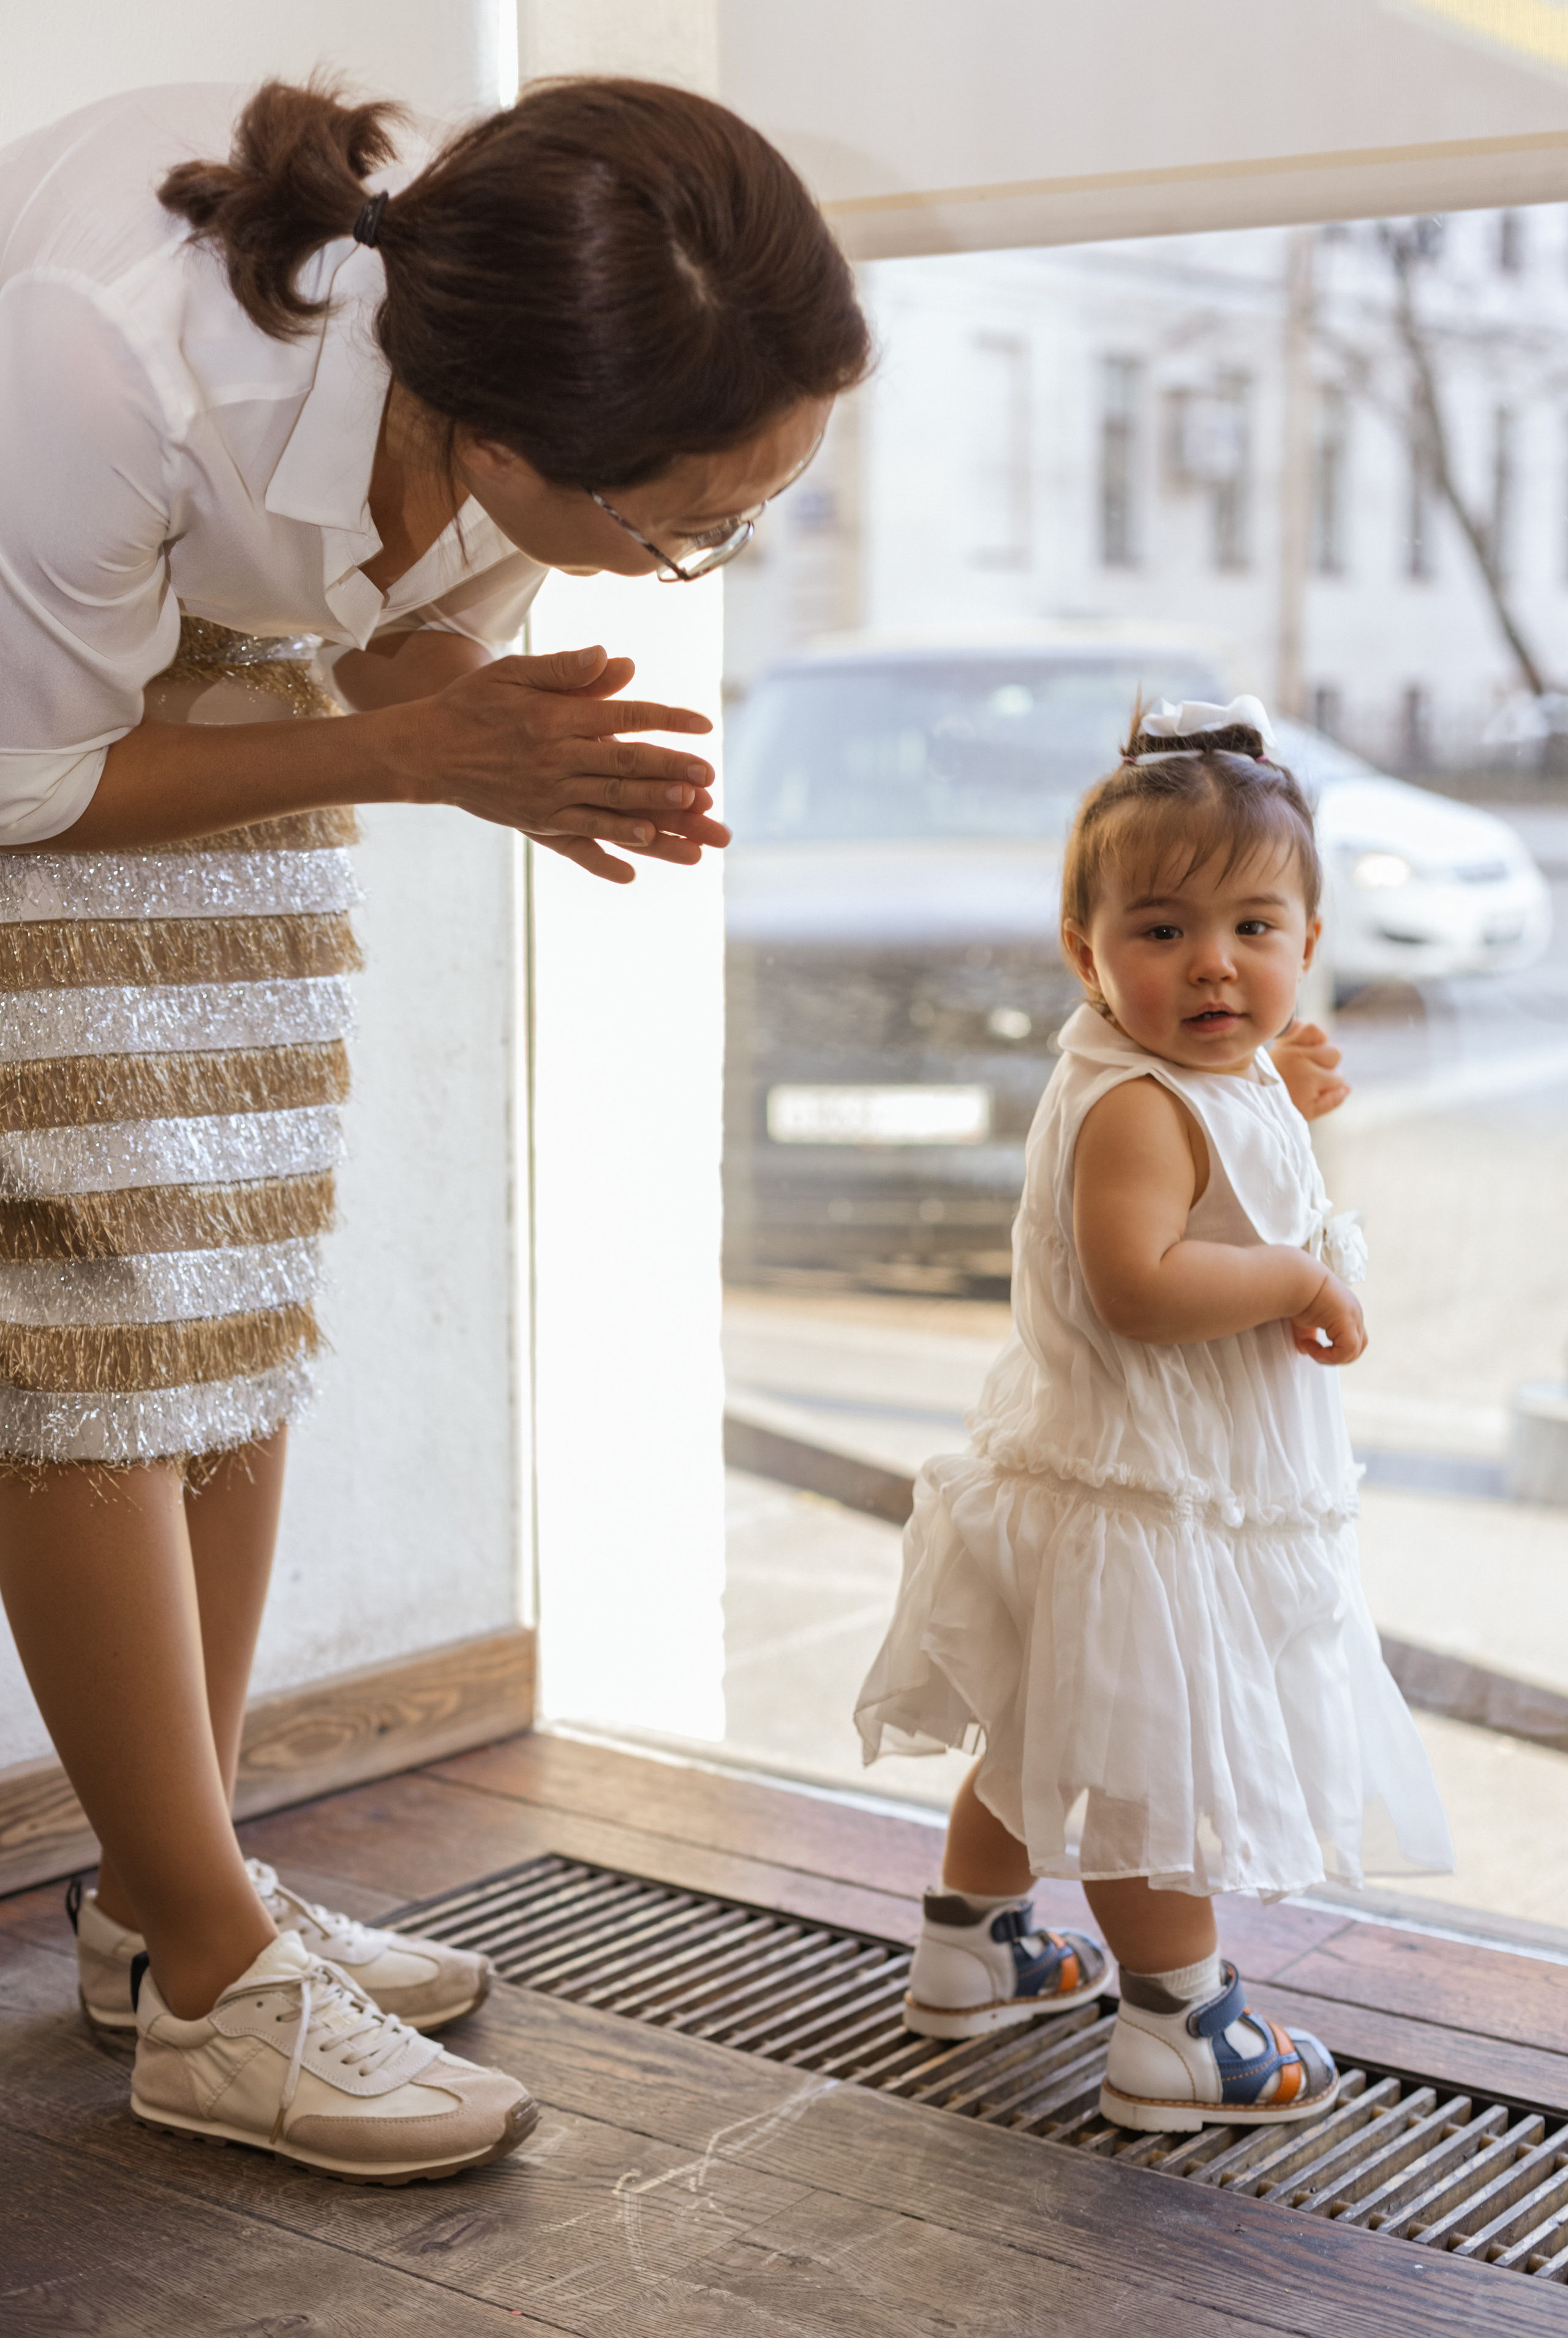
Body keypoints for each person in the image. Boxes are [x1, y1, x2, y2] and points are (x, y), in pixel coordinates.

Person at [0, 73, 869, 2182]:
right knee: (90, 1333)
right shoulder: (102, 357)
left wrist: (489, 734)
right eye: (683, 524)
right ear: (495, 432)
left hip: (221, 713)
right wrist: (407, 747)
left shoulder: (531, 331)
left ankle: (164, 1890)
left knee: (237, 1284)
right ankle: (213, 1981)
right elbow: (15, 785)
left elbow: (435, 623)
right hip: (27, 723)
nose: (690, 569)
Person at [855, 698, 1454, 2135]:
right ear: (1084, 952)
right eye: (1162, 930)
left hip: (1144, 1484)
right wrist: (1297, 1269)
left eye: (1254, 929)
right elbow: (1141, 1282)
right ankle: (1179, 2028)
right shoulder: (1131, 1104)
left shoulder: (1204, 1072)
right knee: (1138, 1765)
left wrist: (1278, 1096)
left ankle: (973, 1944)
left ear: (1309, 944)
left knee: (1042, 1720)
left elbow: (1224, 1146)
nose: (1212, 966)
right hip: (1147, 1496)